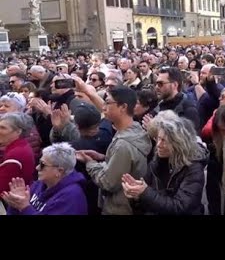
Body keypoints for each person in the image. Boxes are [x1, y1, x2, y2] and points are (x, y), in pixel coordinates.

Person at [75, 86, 152, 215]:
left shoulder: (123, 144)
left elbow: (108, 182)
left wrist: (90, 163)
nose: (103, 107)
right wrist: (104, 158)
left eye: (108, 103)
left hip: (119, 208)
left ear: (123, 107)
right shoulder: (134, 130)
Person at [121, 111, 208, 215]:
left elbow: (180, 206)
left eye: (164, 140)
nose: (158, 145)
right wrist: (136, 196)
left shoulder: (193, 167)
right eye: (158, 139)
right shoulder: (156, 161)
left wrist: (145, 193)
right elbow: (146, 202)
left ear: (177, 143)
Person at [2, 143, 88, 215]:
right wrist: (15, 204)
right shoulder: (41, 184)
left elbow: (25, 208)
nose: (37, 167)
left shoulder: (71, 198)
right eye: (39, 163)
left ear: (59, 171)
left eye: (43, 165)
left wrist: (24, 207)